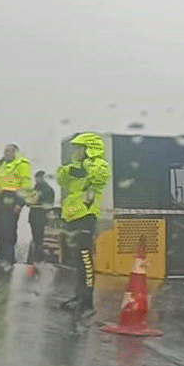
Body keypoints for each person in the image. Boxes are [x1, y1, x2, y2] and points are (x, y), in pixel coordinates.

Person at [56, 132, 110, 315]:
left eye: (80, 148)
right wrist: (70, 169)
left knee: (86, 259)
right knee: (76, 260)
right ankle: (78, 296)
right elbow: (61, 178)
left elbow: (100, 178)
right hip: (71, 216)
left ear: (89, 150)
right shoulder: (74, 166)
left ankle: (87, 302)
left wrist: (85, 165)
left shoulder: (99, 164)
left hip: (86, 216)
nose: (76, 152)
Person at [0, 143, 32, 267]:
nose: (6, 153)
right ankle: (0, 256)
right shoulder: (1, 164)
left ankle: (8, 258)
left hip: (12, 200)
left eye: (9, 151)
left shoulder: (21, 165)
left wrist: (19, 203)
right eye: (5, 150)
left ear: (15, 152)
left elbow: (25, 186)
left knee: (8, 230)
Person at [26, 170, 55, 264]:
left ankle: (39, 257)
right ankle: (37, 256)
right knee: (36, 237)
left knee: (40, 238)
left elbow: (49, 202)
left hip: (41, 217)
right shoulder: (34, 189)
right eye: (36, 178)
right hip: (34, 216)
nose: (37, 180)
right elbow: (28, 200)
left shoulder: (48, 189)